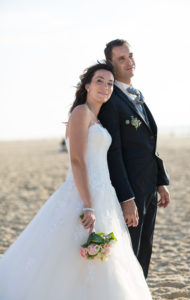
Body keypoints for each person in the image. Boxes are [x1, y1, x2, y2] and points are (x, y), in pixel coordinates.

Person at [0, 63, 152, 300]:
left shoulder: (97, 118)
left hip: (104, 194)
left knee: (103, 256)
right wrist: (88, 204)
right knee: (70, 253)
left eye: (110, 83)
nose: (105, 86)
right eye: (99, 81)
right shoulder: (81, 112)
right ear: (87, 85)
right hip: (84, 195)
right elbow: (78, 161)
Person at [98, 39, 170, 278]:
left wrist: (160, 181)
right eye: (122, 58)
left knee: (145, 248)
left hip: (149, 187)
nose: (129, 62)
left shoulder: (135, 95)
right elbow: (114, 152)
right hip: (130, 190)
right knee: (131, 251)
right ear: (111, 63)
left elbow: (149, 142)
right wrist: (126, 197)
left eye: (130, 56)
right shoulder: (112, 101)